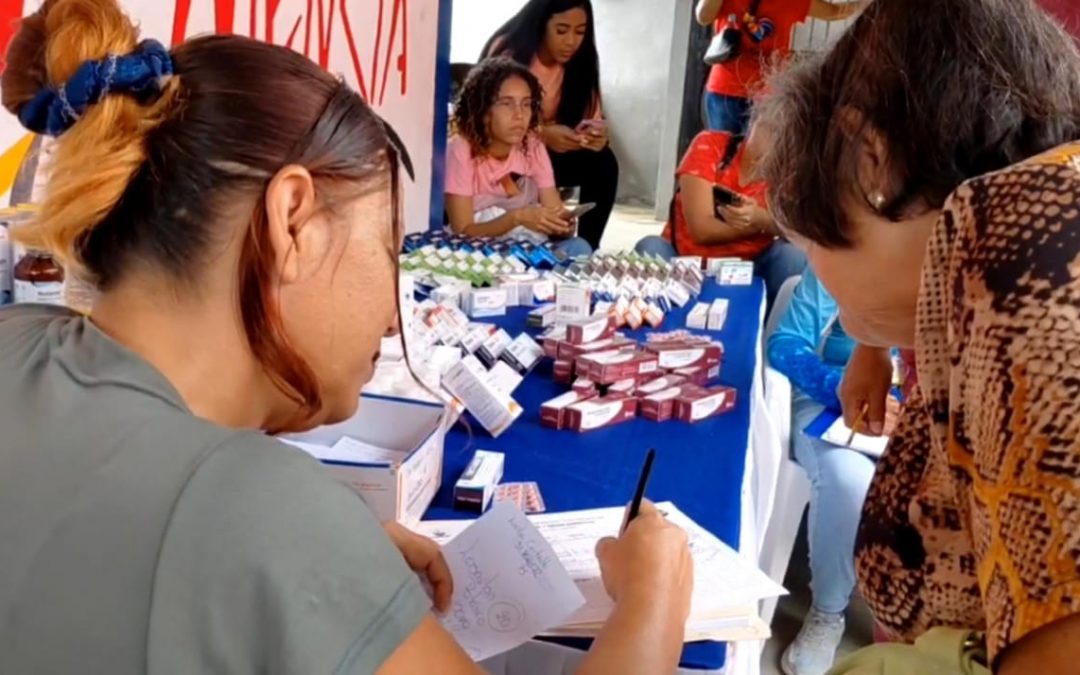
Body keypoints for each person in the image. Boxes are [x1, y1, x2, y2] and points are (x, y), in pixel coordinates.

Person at [0, 1, 695, 673]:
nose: (394, 318)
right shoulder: (264, 511)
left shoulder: (17, 335)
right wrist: (653, 595)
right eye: (388, 254)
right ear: (293, 219)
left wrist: (323, 552)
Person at [752, 0, 1080, 673]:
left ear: (870, 162)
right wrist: (870, 346)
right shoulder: (973, 290)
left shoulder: (1027, 283)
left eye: (808, 234)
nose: (812, 261)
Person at [767, 269, 896, 675]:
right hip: (830, 404)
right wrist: (838, 385)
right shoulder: (844, 254)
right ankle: (827, 612)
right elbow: (785, 344)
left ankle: (904, 613)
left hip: (918, 410)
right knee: (848, 478)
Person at [482, 0, 617, 251]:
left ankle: (586, 248)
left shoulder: (583, 60)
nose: (571, 42)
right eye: (562, 30)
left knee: (603, 162)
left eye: (580, 32)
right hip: (504, 152)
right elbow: (485, 118)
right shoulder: (509, 52)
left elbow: (591, 118)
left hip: (546, 154)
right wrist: (543, 134)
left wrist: (594, 137)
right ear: (541, 24)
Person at [634, 127, 805, 307]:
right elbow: (701, 231)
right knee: (649, 248)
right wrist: (758, 224)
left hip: (750, 267)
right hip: (684, 260)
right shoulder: (711, 143)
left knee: (793, 255)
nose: (778, 141)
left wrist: (759, 218)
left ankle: (769, 329)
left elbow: (801, 233)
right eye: (772, 128)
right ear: (754, 121)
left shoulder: (791, 170)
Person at [445, 57, 591, 259]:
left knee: (579, 247)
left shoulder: (532, 145)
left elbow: (553, 208)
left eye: (526, 104)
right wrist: (517, 218)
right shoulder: (461, 151)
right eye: (506, 103)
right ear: (483, 110)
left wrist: (561, 224)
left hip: (526, 244)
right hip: (479, 252)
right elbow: (462, 232)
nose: (519, 115)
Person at [694, 0, 863, 134]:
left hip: (767, 98)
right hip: (725, 92)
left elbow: (834, 12)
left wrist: (871, 4)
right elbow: (703, 17)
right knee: (721, 159)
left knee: (757, 166)